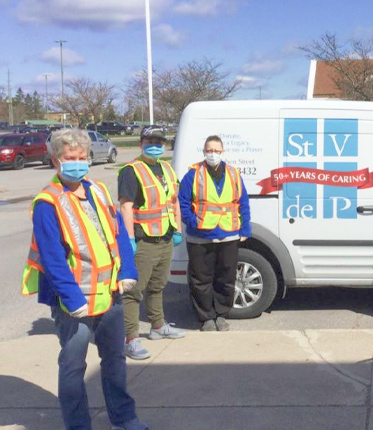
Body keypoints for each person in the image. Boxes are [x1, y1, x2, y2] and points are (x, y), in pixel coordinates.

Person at [21, 128, 148, 430]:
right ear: (56, 161)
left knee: (115, 360)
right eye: (69, 158)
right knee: (74, 366)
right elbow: (52, 258)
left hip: (110, 294)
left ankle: (123, 417)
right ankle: (78, 426)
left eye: (81, 158)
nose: (77, 163)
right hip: (74, 301)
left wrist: (128, 271)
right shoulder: (47, 202)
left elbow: (117, 235)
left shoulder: (99, 191)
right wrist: (71, 298)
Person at [118, 125, 185, 360]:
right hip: (143, 240)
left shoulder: (166, 168)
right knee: (134, 291)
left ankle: (158, 326)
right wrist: (128, 239)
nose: (155, 146)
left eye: (159, 142)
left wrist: (177, 228)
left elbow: (173, 201)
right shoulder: (131, 171)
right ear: (141, 144)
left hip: (165, 237)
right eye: (150, 142)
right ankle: (131, 339)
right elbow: (126, 206)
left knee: (158, 286)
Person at [178, 135, 251, 331]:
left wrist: (245, 227)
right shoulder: (192, 174)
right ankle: (206, 317)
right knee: (201, 279)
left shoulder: (234, 174)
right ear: (204, 152)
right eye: (209, 150)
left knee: (226, 278)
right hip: (200, 236)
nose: (213, 154)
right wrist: (193, 222)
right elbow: (183, 203)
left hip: (228, 233)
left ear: (222, 152)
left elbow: (242, 202)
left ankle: (221, 314)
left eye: (217, 151)